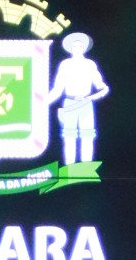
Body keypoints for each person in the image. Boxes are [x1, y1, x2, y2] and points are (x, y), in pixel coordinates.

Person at [47, 32, 109, 166]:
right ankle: (69, 168)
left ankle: (86, 168)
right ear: (70, 48)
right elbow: (57, 89)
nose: (77, 49)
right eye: (74, 46)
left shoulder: (90, 64)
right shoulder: (65, 65)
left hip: (86, 104)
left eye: (80, 46)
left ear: (84, 48)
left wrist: (102, 91)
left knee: (87, 136)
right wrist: (44, 102)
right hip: (69, 103)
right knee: (69, 137)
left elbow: (101, 85)